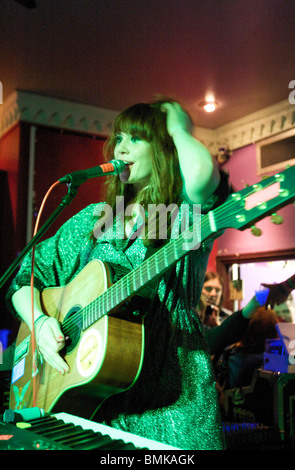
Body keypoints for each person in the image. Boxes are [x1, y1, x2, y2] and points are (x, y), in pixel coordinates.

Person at [7, 99, 230, 450]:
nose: (120, 148)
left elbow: (203, 174)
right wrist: (41, 322)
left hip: (174, 401)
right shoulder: (97, 218)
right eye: (119, 138)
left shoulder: (177, 214)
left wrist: (176, 127)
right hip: (96, 404)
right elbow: (24, 278)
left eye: (136, 139)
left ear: (163, 149)